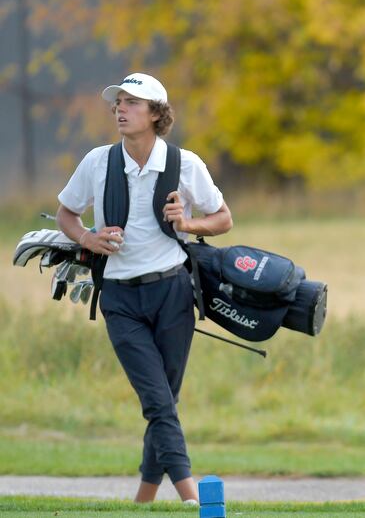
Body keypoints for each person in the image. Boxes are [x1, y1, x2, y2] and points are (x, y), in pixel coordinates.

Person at [56, 73, 233, 503]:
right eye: (118, 102)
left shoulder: (185, 163)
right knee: (157, 400)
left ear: (156, 114)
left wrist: (187, 223)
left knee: (164, 401)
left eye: (132, 102)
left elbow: (223, 218)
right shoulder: (97, 161)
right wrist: (88, 239)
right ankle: (193, 498)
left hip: (173, 293)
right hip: (119, 298)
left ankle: (144, 499)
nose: (120, 108)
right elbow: (66, 214)